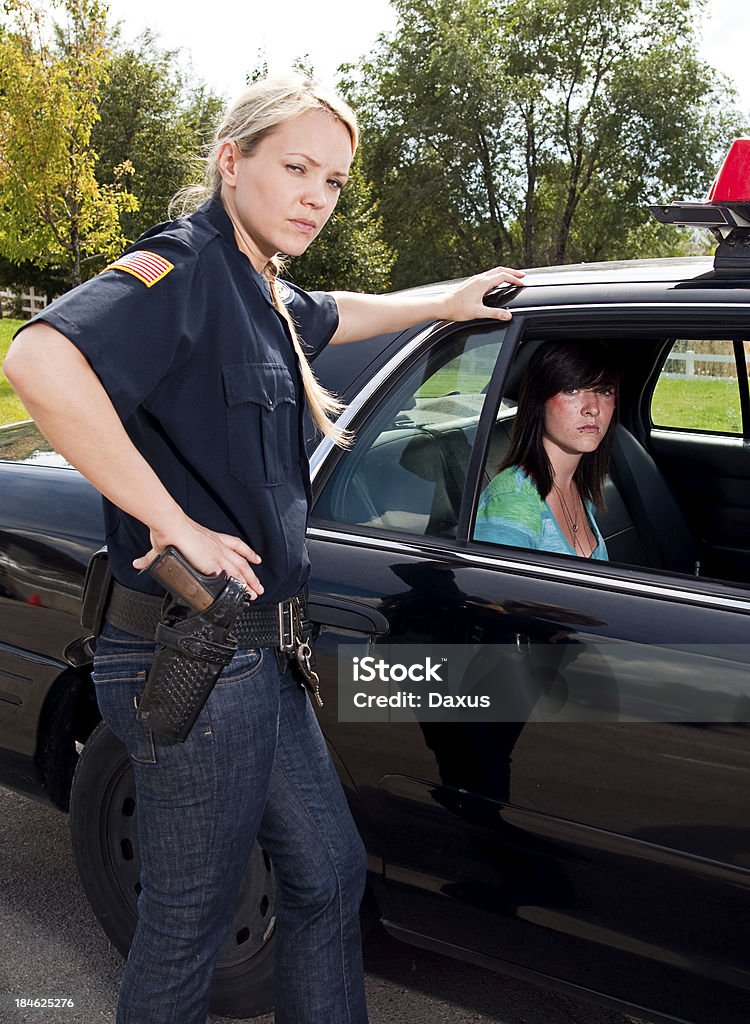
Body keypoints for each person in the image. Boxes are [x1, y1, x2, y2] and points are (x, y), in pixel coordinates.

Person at [3, 74, 525, 1024]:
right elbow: (38, 358)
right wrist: (173, 519)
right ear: (230, 160)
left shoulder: (261, 289)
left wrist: (445, 302)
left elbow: (341, 313)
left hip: (258, 657)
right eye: (296, 168)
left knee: (326, 878)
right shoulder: (183, 266)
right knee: (187, 925)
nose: (316, 197)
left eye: (332, 181)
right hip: (194, 654)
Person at [474, 340, 617, 558]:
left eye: (604, 391)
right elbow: (495, 591)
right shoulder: (513, 502)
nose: (593, 408)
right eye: (571, 390)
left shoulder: (579, 489)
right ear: (539, 400)